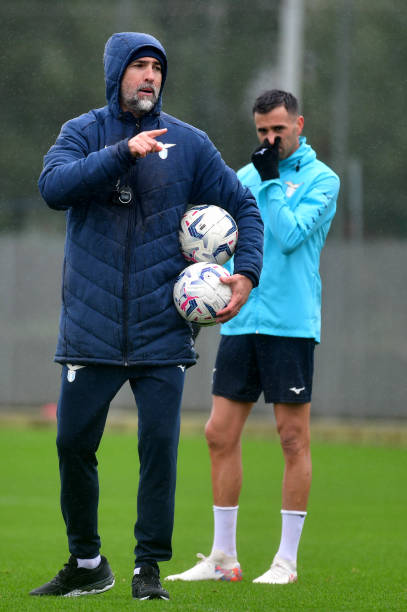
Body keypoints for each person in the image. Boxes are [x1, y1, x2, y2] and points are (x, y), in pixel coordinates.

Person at [30, 32, 263, 601]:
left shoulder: (190, 144)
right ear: (116, 73)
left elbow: (245, 207)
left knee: (158, 448)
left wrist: (247, 273)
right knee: (71, 445)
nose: (150, 77)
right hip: (91, 327)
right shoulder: (81, 134)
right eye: (139, 66)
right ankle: (87, 561)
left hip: (163, 328)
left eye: (157, 68)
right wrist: (119, 154)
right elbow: (52, 188)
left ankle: (147, 568)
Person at [165, 89, 340, 585]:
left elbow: (286, 236)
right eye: (262, 131)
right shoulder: (242, 178)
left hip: (290, 324)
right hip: (241, 321)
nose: (269, 139)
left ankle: (285, 562)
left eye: (278, 130)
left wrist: (268, 183)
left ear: (299, 125)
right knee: (218, 434)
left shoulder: (322, 180)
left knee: (291, 438)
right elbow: (222, 242)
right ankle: (223, 558)